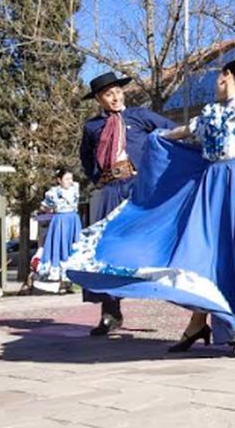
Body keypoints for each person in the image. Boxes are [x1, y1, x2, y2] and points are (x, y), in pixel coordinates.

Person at [67, 59, 235, 356]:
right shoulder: (211, 111)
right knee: (217, 254)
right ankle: (234, 326)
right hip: (215, 185)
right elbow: (181, 131)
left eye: (217, 77)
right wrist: (157, 138)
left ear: (226, 76)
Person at [77, 71, 174, 336]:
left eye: (118, 92)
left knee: (152, 240)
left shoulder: (139, 116)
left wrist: (158, 167)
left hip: (139, 186)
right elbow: (86, 156)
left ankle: (181, 297)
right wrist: (96, 178)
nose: (116, 97)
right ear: (99, 99)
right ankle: (110, 312)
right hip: (110, 188)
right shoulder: (92, 127)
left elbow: (169, 130)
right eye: (109, 94)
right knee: (104, 248)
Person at [32, 169, 83, 294]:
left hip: (73, 219)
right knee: (60, 248)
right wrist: (51, 210)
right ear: (59, 180)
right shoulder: (53, 192)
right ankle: (60, 281)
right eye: (66, 179)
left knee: (73, 248)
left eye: (71, 178)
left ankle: (70, 282)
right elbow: (43, 206)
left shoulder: (75, 187)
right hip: (61, 220)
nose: (70, 181)